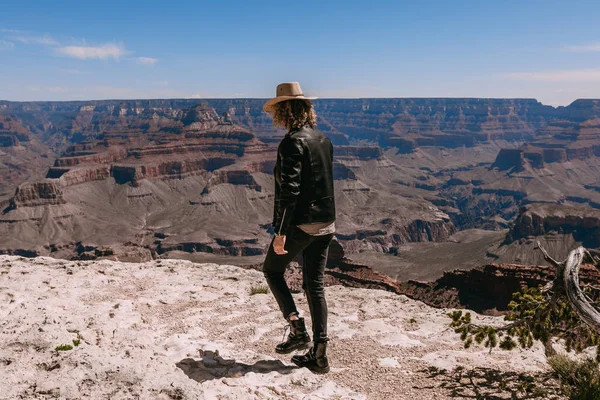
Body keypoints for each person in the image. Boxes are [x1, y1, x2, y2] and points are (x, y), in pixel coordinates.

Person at [262, 82, 336, 374]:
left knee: (272, 270)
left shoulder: (292, 142)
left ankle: (297, 330)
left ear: (285, 111)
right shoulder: (323, 138)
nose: (275, 117)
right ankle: (319, 355)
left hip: (302, 223)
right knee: (314, 286)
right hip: (327, 221)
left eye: (277, 111)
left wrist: (280, 233)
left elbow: (289, 192)